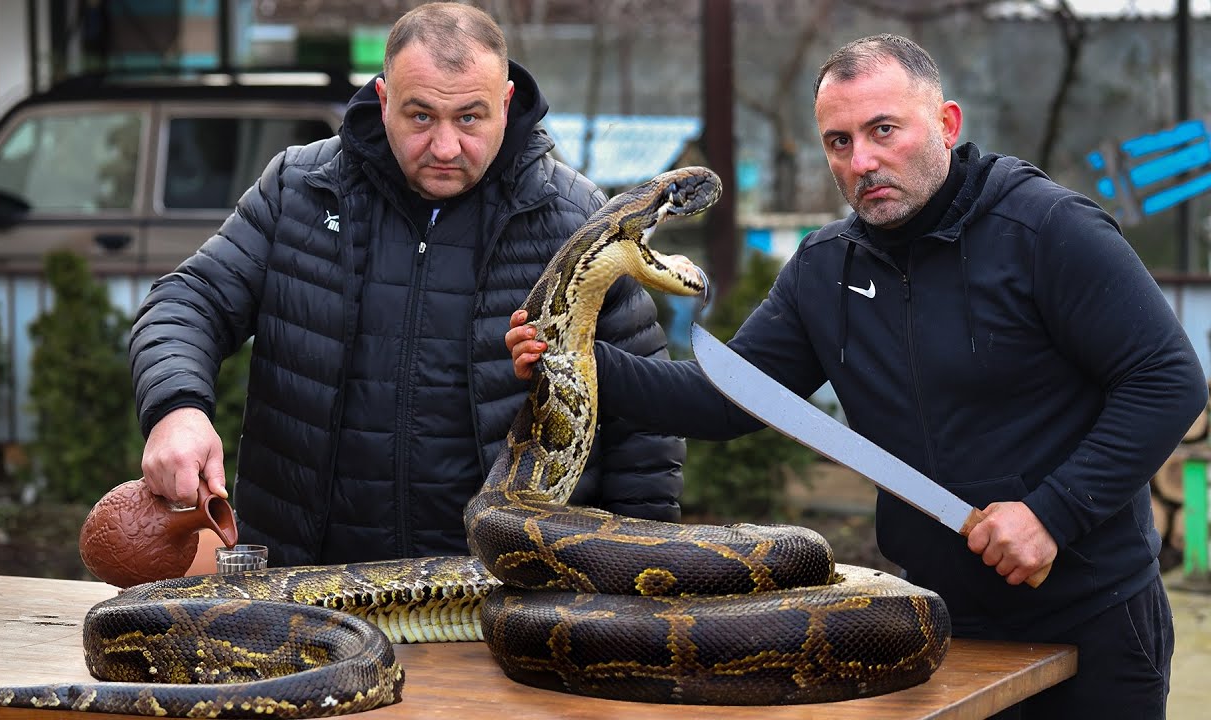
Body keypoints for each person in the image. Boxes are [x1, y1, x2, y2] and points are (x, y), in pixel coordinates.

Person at [508, 33, 1204, 719]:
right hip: (937, 624)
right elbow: (724, 401)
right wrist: (572, 361)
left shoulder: (1047, 228)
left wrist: (1054, 513)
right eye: (838, 142)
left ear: (946, 124)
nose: (862, 161)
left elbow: (1169, 378)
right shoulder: (824, 270)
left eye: (883, 131)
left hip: (1093, 619)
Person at [129, 2, 683, 567]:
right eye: (420, 116)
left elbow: (643, 420)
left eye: (469, 118)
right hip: (306, 584)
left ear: (506, 102)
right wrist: (177, 408)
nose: (445, 147)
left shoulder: (573, 220)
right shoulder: (301, 189)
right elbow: (187, 302)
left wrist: (638, 567)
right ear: (384, 98)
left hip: (506, 590)